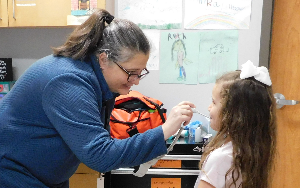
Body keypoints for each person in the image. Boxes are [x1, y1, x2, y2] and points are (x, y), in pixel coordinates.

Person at [0, 9, 195, 187]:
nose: (135, 81)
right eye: (131, 72)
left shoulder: (97, 79)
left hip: (44, 174)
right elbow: (100, 155)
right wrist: (165, 130)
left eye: (140, 72)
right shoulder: (68, 81)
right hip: (13, 173)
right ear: (103, 59)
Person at [194, 60, 277, 188]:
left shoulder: (220, 158)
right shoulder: (252, 151)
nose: (209, 107)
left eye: (214, 102)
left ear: (233, 113)